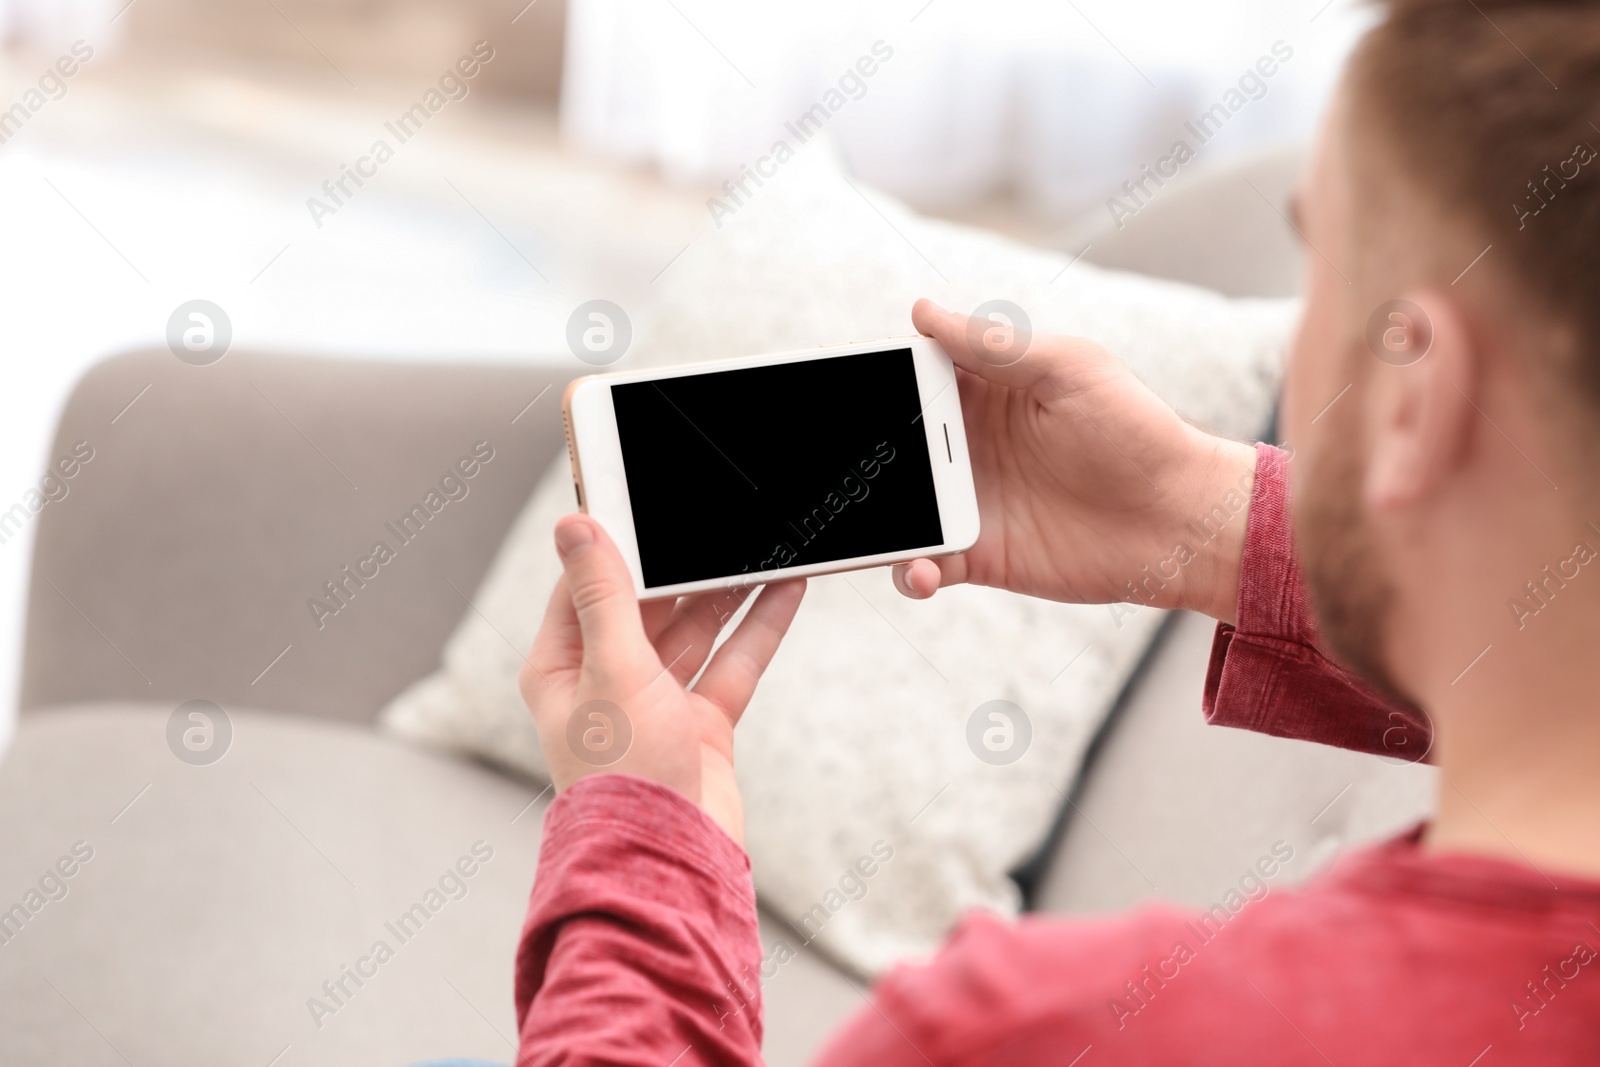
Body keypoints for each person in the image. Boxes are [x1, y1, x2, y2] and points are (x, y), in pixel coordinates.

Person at [510, 0, 1600, 1061]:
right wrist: (1205, 520)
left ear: (1417, 399)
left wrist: (642, 836)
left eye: (1320, 267)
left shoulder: (1038, 1032)